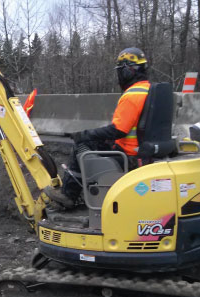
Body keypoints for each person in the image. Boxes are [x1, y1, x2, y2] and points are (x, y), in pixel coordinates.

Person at [44, 47, 151, 209]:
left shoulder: (132, 96)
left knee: (82, 145)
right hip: (144, 150)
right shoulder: (150, 90)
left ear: (127, 72)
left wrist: (84, 134)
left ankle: (69, 195)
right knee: (96, 141)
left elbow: (118, 130)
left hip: (129, 155)